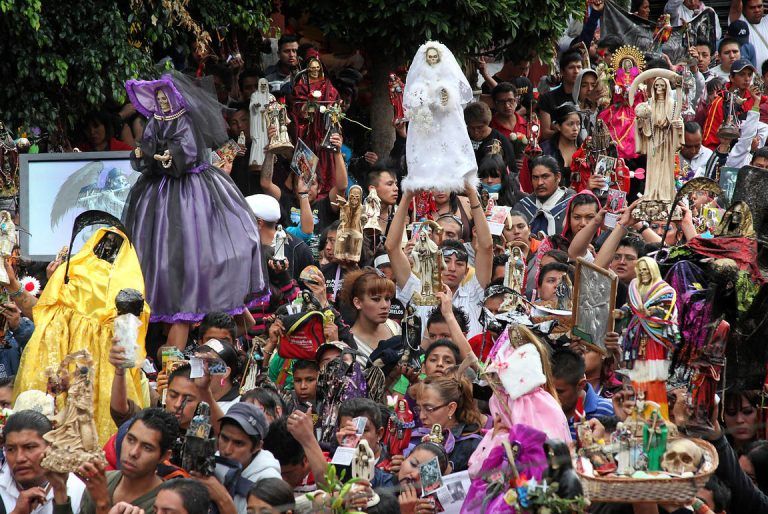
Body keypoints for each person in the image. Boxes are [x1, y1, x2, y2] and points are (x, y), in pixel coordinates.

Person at [123, 72, 266, 350]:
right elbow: (147, 146)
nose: (162, 102)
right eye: (158, 97)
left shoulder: (185, 120)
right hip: (158, 193)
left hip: (190, 190)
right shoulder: (155, 121)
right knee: (161, 252)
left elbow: (187, 152)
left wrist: (171, 156)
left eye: (165, 96)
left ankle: (228, 321)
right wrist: (146, 153)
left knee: (201, 247)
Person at [387, 186, 493, 338]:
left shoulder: (475, 292)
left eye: (459, 264)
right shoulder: (417, 290)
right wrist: (407, 196)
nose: (451, 268)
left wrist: (471, 192)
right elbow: (392, 248)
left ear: (466, 271)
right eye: (446, 260)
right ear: (436, 263)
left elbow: (486, 247)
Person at [78, 408, 180, 514]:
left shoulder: (167, 504)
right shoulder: (101, 483)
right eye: (130, 440)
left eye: (147, 447)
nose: (133, 452)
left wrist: (103, 505)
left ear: (164, 456)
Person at [0, 410, 86, 514]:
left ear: (51, 447)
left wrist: (60, 495)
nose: (19, 458)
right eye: (10, 449)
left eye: (29, 447)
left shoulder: (78, 490)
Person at [409, 374, 484, 472]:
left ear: (451, 408)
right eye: (419, 409)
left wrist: (448, 473)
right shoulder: (418, 438)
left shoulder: (472, 445)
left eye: (429, 408)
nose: (421, 416)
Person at [216, 403, 281, 513]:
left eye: (238, 443)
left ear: (257, 446)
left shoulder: (269, 481)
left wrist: (222, 499)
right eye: (224, 438)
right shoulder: (213, 463)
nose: (227, 450)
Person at [246, 193, 314, 283]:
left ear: (259, 223)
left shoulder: (299, 250)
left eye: (244, 219)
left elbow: (312, 288)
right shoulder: (242, 248)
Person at [338, 269, 400, 364]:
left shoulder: (394, 327)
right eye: (376, 299)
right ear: (358, 303)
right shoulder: (348, 344)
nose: (385, 305)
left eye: (387, 299)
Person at [551, 348, 614, 439]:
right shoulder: (541, 411)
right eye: (548, 390)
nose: (552, 396)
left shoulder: (607, 411)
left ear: (581, 385)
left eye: (559, 391)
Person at [512, 155, 575, 236]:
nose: (539, 183)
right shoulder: (522, 207)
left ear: (558, 177)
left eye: (545, 177)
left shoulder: (572, 204)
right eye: (535, 178)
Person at [703, 59, 759, 149]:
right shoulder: (720, 102)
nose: (747, 79)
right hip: (723, 151)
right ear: (731, 77)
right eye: (742, 74)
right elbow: (709, 141)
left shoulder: (753, 99)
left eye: (749, 75)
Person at [538, 50, 582, 141]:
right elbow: (545, 133)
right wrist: (567, 133)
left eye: (579, 67)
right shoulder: (548, 98)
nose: (576, 71)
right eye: (571, 67)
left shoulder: (586, 97)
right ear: (562, 71)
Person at [463, 101, 517, 174]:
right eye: (471, 128)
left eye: (480, 127)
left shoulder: (501, 140)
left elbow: (512, 172)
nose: (476, 132)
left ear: (487, 123)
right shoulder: (462, 139)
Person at [540, 102, 582, 185]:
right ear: (558, 126)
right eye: (570, 124)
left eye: (578, 124)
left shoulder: (584, 149)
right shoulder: (546, 149)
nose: (575, 128)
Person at [730, 0, 768, 77]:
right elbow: (735, 8)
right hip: (750, 80)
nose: (757, 10)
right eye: (752, 7)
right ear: (743, 9)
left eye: (759, 6)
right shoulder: (740, 22)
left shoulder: (766, 21)